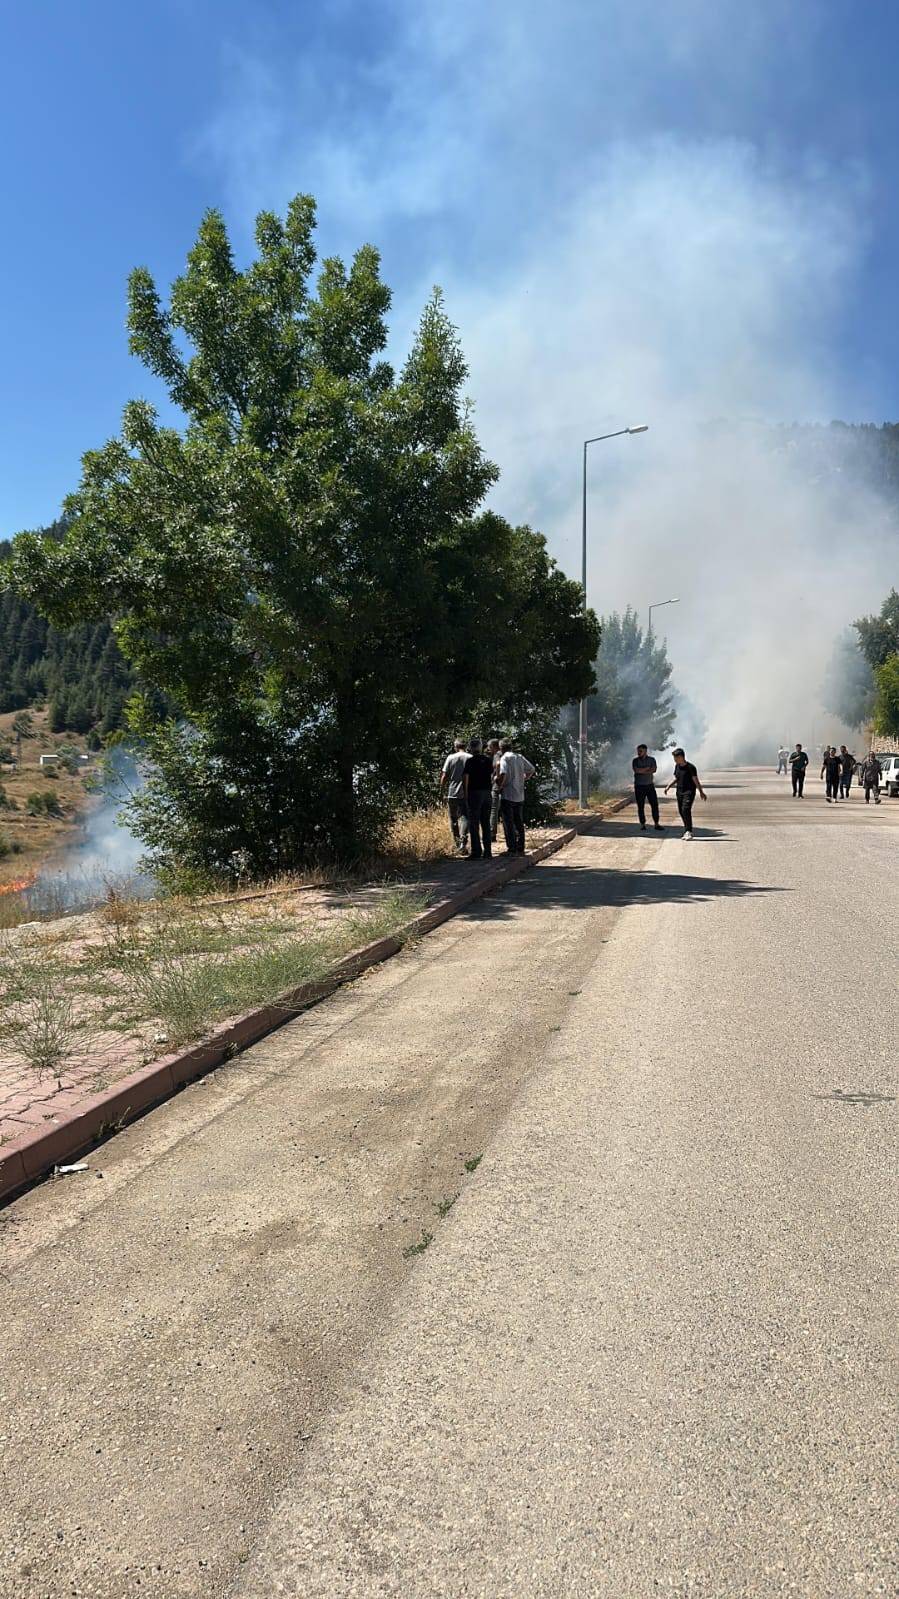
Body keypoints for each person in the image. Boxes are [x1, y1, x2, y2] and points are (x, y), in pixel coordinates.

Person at [496, 737, 535, 854]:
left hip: (508, 795)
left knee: (508, 823)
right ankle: (520, 847)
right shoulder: (519, 757)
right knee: (519, 822)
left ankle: (511, 848)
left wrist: (500, 784)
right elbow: (531, 769)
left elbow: (502, 773)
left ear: (501, 748)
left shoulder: (504, 758)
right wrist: (524, 778)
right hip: (519, 795)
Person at [462, 737, 495, 860]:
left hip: (474, 793)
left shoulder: (470, 761)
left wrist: (465, 794)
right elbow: (492, 775)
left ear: (470, 748)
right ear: (481, 748)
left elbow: (466, 777)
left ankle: (476, 851)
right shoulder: (487, 760)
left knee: (474, 823)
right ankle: (488, 852)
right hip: (487, 793)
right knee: (485, 823)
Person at [664, 748, 706, 838]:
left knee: (685, 809)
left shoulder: (691, 767)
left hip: (689, 791)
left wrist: (701, 792)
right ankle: (687, 828)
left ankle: (688, 831)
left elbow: (696, 780)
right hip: (679, 791)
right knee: (681, 811)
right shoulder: (677, 766)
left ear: (681, 757)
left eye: (675, 758)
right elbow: (676, 778)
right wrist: (668, 786)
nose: (674, 760)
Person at [440, 739, 469, 852]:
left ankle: (457, 843)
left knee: (453, 818)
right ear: (465, 746)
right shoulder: (470, 757)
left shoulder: (450, 758)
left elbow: (444, 775)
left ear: (455, 747)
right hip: (466, 792)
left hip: (452, 792)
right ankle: (463, 842)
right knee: (465, 817)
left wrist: (442, 790)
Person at [632, 743, 664, 831]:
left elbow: (654, 769)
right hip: (639, 786)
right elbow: (636, 770)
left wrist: (642, 771)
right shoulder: (635, 760)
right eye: (638, 751)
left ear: (645, 751)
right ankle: (642, 824)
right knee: (640, 806)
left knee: (654, 805)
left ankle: (656, 823)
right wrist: (647, 769)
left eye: (641, 751)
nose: (639, 752)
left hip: (649, 785)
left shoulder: (652, 759)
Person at [486, 737, 502, 843]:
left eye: (489, 747)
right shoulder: (505, 754)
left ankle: (492, 834)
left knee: (493, 809)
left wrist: (496, 777)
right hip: (506, 785)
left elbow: (498, 764)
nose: (488, 749)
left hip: (497, 785)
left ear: (494, 746)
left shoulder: (497, 755)